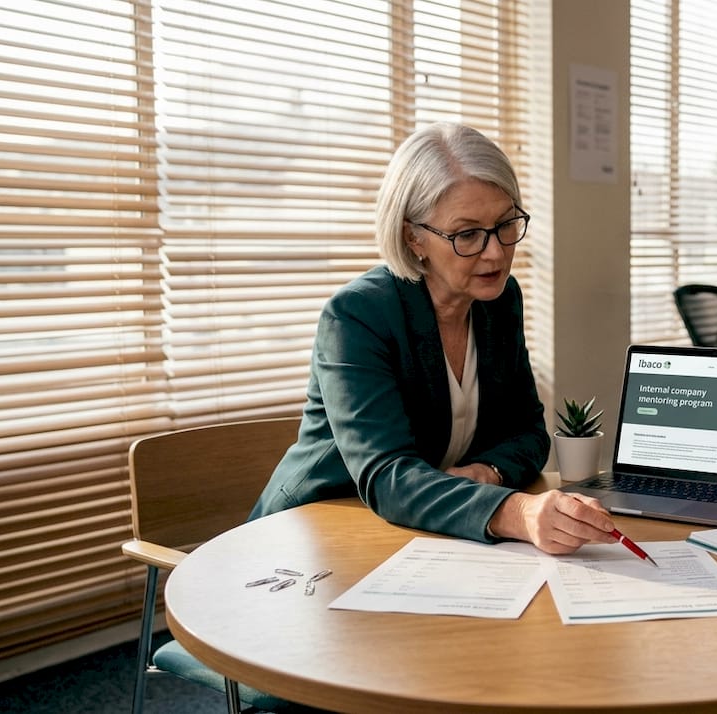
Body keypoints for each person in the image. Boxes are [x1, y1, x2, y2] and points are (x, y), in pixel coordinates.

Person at [249, 123, 618, 555]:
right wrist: (515, 512)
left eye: (505, 225)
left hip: (420, 532)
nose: (496, 252)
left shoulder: (499, 299)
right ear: (413, 236)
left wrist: (488, 472)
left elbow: (529, 432)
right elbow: (388, 476)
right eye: (467, 234)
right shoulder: (357, 315)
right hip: (315, 535)